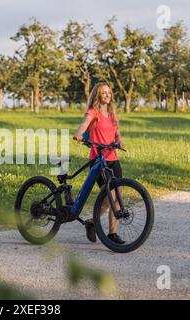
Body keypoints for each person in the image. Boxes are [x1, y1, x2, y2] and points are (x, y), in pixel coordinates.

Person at [73, 82, 125, 245]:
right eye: (103, 93)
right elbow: (84, 124)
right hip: (98, 160)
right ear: (97, 95)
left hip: (113, 158)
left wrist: (120, 140)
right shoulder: (92, 112)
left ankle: (110, 233)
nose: (107, 95)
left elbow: (116, 132)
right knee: (109, 196)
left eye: (109, 93)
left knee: (117, 196)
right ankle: (97, 225)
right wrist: (79, 134)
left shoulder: (112, 113)